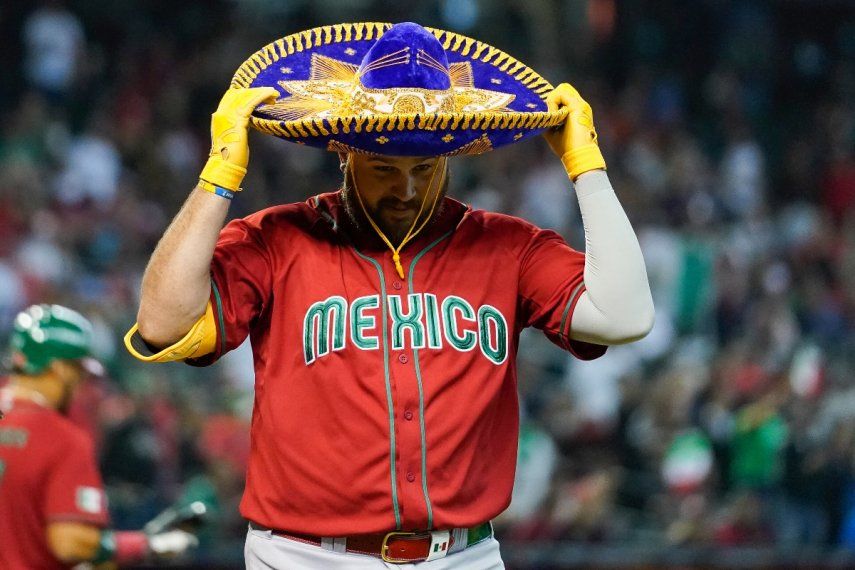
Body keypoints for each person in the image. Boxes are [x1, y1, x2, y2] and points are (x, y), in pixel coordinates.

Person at [125, 22, 654, 568]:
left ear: (449, 157)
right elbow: (164, 323)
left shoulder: (507, 246)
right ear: (344, 154)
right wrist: (219, 177)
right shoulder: (277, 239)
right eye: (382, 167)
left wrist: (586, 169)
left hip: (463, 556)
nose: (405, 189)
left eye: (423, 168)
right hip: (305, 557)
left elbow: (624, 316)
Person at [0, 304, 198, 569]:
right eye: (78, 371)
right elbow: (69, 543)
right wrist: (144, 544)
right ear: (59, 368)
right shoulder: (61, 438)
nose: (81, 382)